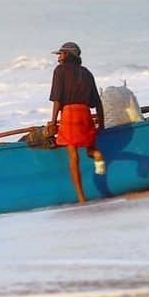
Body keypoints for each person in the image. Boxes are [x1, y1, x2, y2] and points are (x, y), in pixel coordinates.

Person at [47, 41, 106, 203]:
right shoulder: (86, 72)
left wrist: (53, 122)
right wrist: (101, 124)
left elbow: (57, 99)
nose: (58, 57)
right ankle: (97, 155)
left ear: (68, 54)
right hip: (85, 114)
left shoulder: (60, 71)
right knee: (89, 148)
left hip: (69, 114)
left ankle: (81, 197)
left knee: (73, 158)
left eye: (60, 53)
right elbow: (98, 102)